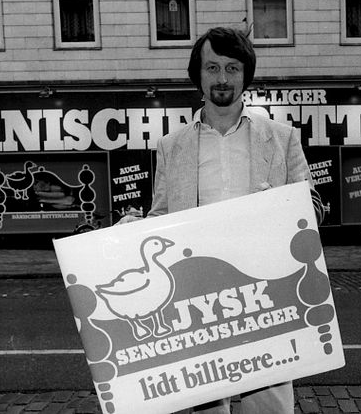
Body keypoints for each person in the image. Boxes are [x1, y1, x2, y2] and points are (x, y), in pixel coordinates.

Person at [126, 27, 324, 413]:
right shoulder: (172, 146)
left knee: (268, 407)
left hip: (266, 298)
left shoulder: (282, 138)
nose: (222, 78)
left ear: (245, 75)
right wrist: (133, 229)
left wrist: (284, 206)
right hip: (196, 302)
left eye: (232, 68)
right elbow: (160, 217)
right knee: (203, 408)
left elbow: (314, 212)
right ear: (197, 75)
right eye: (212, 67)